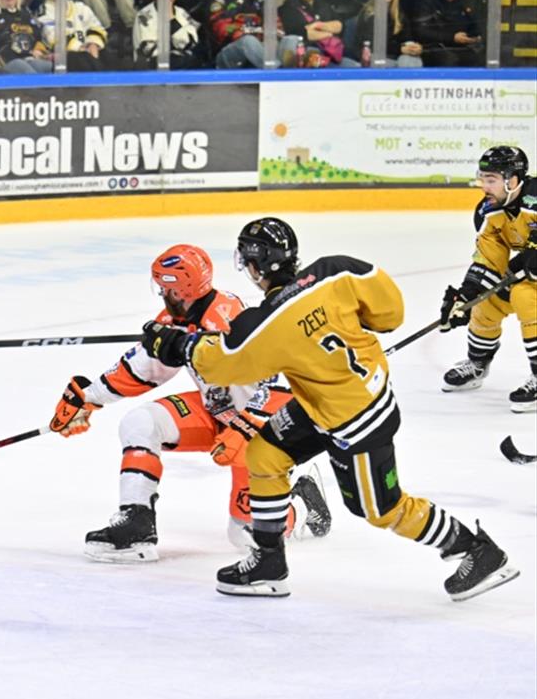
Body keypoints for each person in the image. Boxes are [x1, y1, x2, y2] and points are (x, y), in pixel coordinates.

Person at [140, 217, 520, 601]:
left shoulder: (264, 324)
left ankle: (475, 549)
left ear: (254, 267)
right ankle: (268, 562)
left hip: (357, 421)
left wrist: (173, 344)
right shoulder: (337, 270)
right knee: (265, 454)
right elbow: (390, 314)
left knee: (381, 509)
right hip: (325, 403)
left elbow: (221, 363)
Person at [49, 245, 330, 563]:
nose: (161, 294)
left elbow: (278, 388)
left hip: (262, 430)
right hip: (217, 414)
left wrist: (246, 427)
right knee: (141, 423)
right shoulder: (174, 320)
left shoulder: (233, 322)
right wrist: (88, 399)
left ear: (180, 289)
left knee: (245, 534)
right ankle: (136, 525)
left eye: (165, 288)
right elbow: (142, 368)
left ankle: (304, 501)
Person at [439, 146, 537, 413]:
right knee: (488, 299)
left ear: (513, 180)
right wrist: (466, 296)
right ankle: (478, 363)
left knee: (526, 297)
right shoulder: (487, 212)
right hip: (530, 270)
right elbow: (489, 260)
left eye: (491, 179)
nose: (484, 186)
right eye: (482, 178)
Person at [278, 0, 360, 68]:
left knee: (356, 67)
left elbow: (340, 25)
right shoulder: (287, 8)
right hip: (305, 56)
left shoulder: (323, 5)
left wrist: (317, 25)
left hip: (330, 55)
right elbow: (302, 33)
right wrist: (329, 32)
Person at [0, 0, 55, 73]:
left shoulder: (26, 14)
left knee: (53, 69)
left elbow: (38, 36)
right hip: (6, 59)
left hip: (28, 57)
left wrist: (38, 50)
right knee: (28, 73)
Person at [35, 0, 108, 71]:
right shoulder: (43, 11)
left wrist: (93, 44)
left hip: (88, 52)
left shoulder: (80, 6)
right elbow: (53, 37)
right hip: (64, 56)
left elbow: (96, 27)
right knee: (76, 59)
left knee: (109, 57)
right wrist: (80, 48)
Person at [132, 0, 204, 69]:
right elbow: (149, 50)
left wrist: (171, 18)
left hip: (182, 63)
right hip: (150, 66)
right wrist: (177, 45)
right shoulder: (144, 16)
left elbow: (191, 43)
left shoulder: (182, 13)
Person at [411, 0, 481, 67]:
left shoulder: (466, 1)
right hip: (433, 49)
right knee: (449, 59)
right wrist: (452, 37)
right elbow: (421, 31)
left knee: (478, 58)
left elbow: (476, 25)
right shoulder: (426, 0)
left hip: (462, 48)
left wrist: (474, 37)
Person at [354, 0, 423, 67]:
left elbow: (406, 39)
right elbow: (373, 46)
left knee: (412, 59)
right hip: (373, 57)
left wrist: (413, 48)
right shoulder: (368, 14)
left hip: (396, 57)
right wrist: (400, 49)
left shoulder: (399, 15)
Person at [207, 0, 267, 69]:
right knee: (248, 41)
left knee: (289, 40)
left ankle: (286, 75)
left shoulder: (259, 0)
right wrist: (257, 32)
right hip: (227, 53)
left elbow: (275, 28)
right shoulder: (216, 2)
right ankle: (278, 75)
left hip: (259, 48)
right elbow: (223, 30)